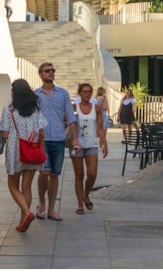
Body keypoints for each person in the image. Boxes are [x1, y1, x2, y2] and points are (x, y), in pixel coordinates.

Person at [0, 78, 46, 233]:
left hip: (15, 151)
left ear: (15, 93)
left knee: (12, 185)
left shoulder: (8, 110)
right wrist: (41, 151)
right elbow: (42, 132)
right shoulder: (36, 112)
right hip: (32, 151)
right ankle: (23, 219)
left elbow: (4, 134)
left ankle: (26, 212)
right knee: (27, 186)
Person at [32, 62, 77, 222]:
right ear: (41, 74)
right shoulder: (35, 94)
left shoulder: (63, 93)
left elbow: (71, 117)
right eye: (47, 71)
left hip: (58, 138)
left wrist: (75, 139)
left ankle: (51, 209)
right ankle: (41, 203)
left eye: (52, 71)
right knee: (44, 172)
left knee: (55, 175)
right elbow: (32, 117)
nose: (51, 73)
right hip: (42, 140)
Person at [70, 82, 109, 213]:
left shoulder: (96, 108)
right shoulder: (74, 107)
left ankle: (86, 194)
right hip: (76, 145)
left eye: (89, 91)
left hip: (91, 144)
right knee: (79, 174)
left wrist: (104, 142)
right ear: (79, 93)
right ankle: (80, 205)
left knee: (92, 173)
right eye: (84, 91)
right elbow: (67, 121)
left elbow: (100, 126)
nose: (87, 94)